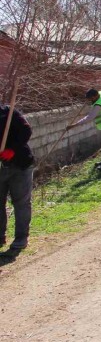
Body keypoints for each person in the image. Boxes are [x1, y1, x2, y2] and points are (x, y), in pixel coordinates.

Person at [0, 103, 34, 250]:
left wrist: (12, 150)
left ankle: (21, 238)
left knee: (21, 202)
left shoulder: (9, 113)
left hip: (20, 164)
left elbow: (26, 130)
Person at [67, 89, 101, 171]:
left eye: (90, 98)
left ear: (95, 96)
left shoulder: (99, 105)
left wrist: (74, 125)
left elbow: (90, 118)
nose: (89, 100)